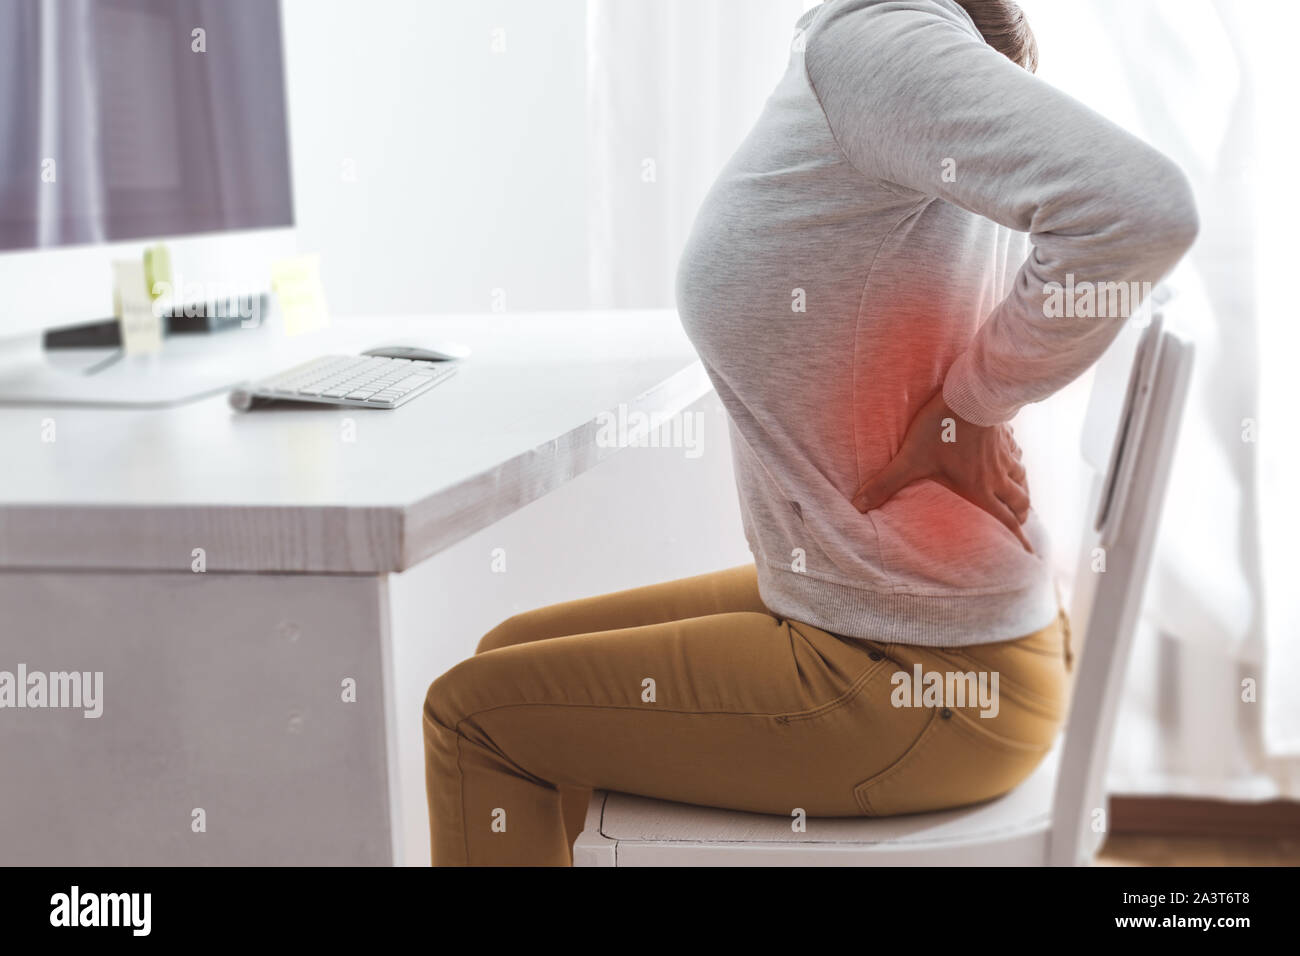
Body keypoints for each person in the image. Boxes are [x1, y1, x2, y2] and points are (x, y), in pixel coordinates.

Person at [423, 0, 1198, 866]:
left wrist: (973, 405)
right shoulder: (874, 43)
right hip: (907, 627)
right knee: (510, 656)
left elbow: (1145, 206)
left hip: (919, 680)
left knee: (475, 719)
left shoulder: (876, 41)